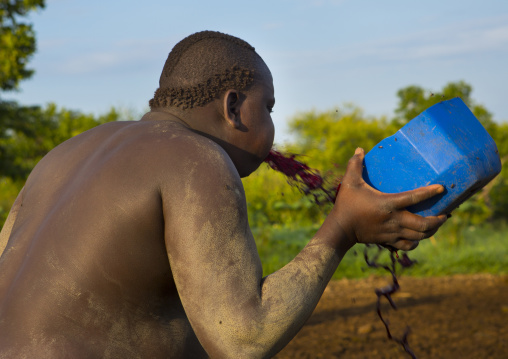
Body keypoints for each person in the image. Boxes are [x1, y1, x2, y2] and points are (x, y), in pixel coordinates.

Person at [0, 31, 447, 358]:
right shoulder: (193, 157)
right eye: (267, 108)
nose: (273, 130)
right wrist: (341, 229)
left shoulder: (58, 159)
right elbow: (242, 340)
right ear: (233, 107)